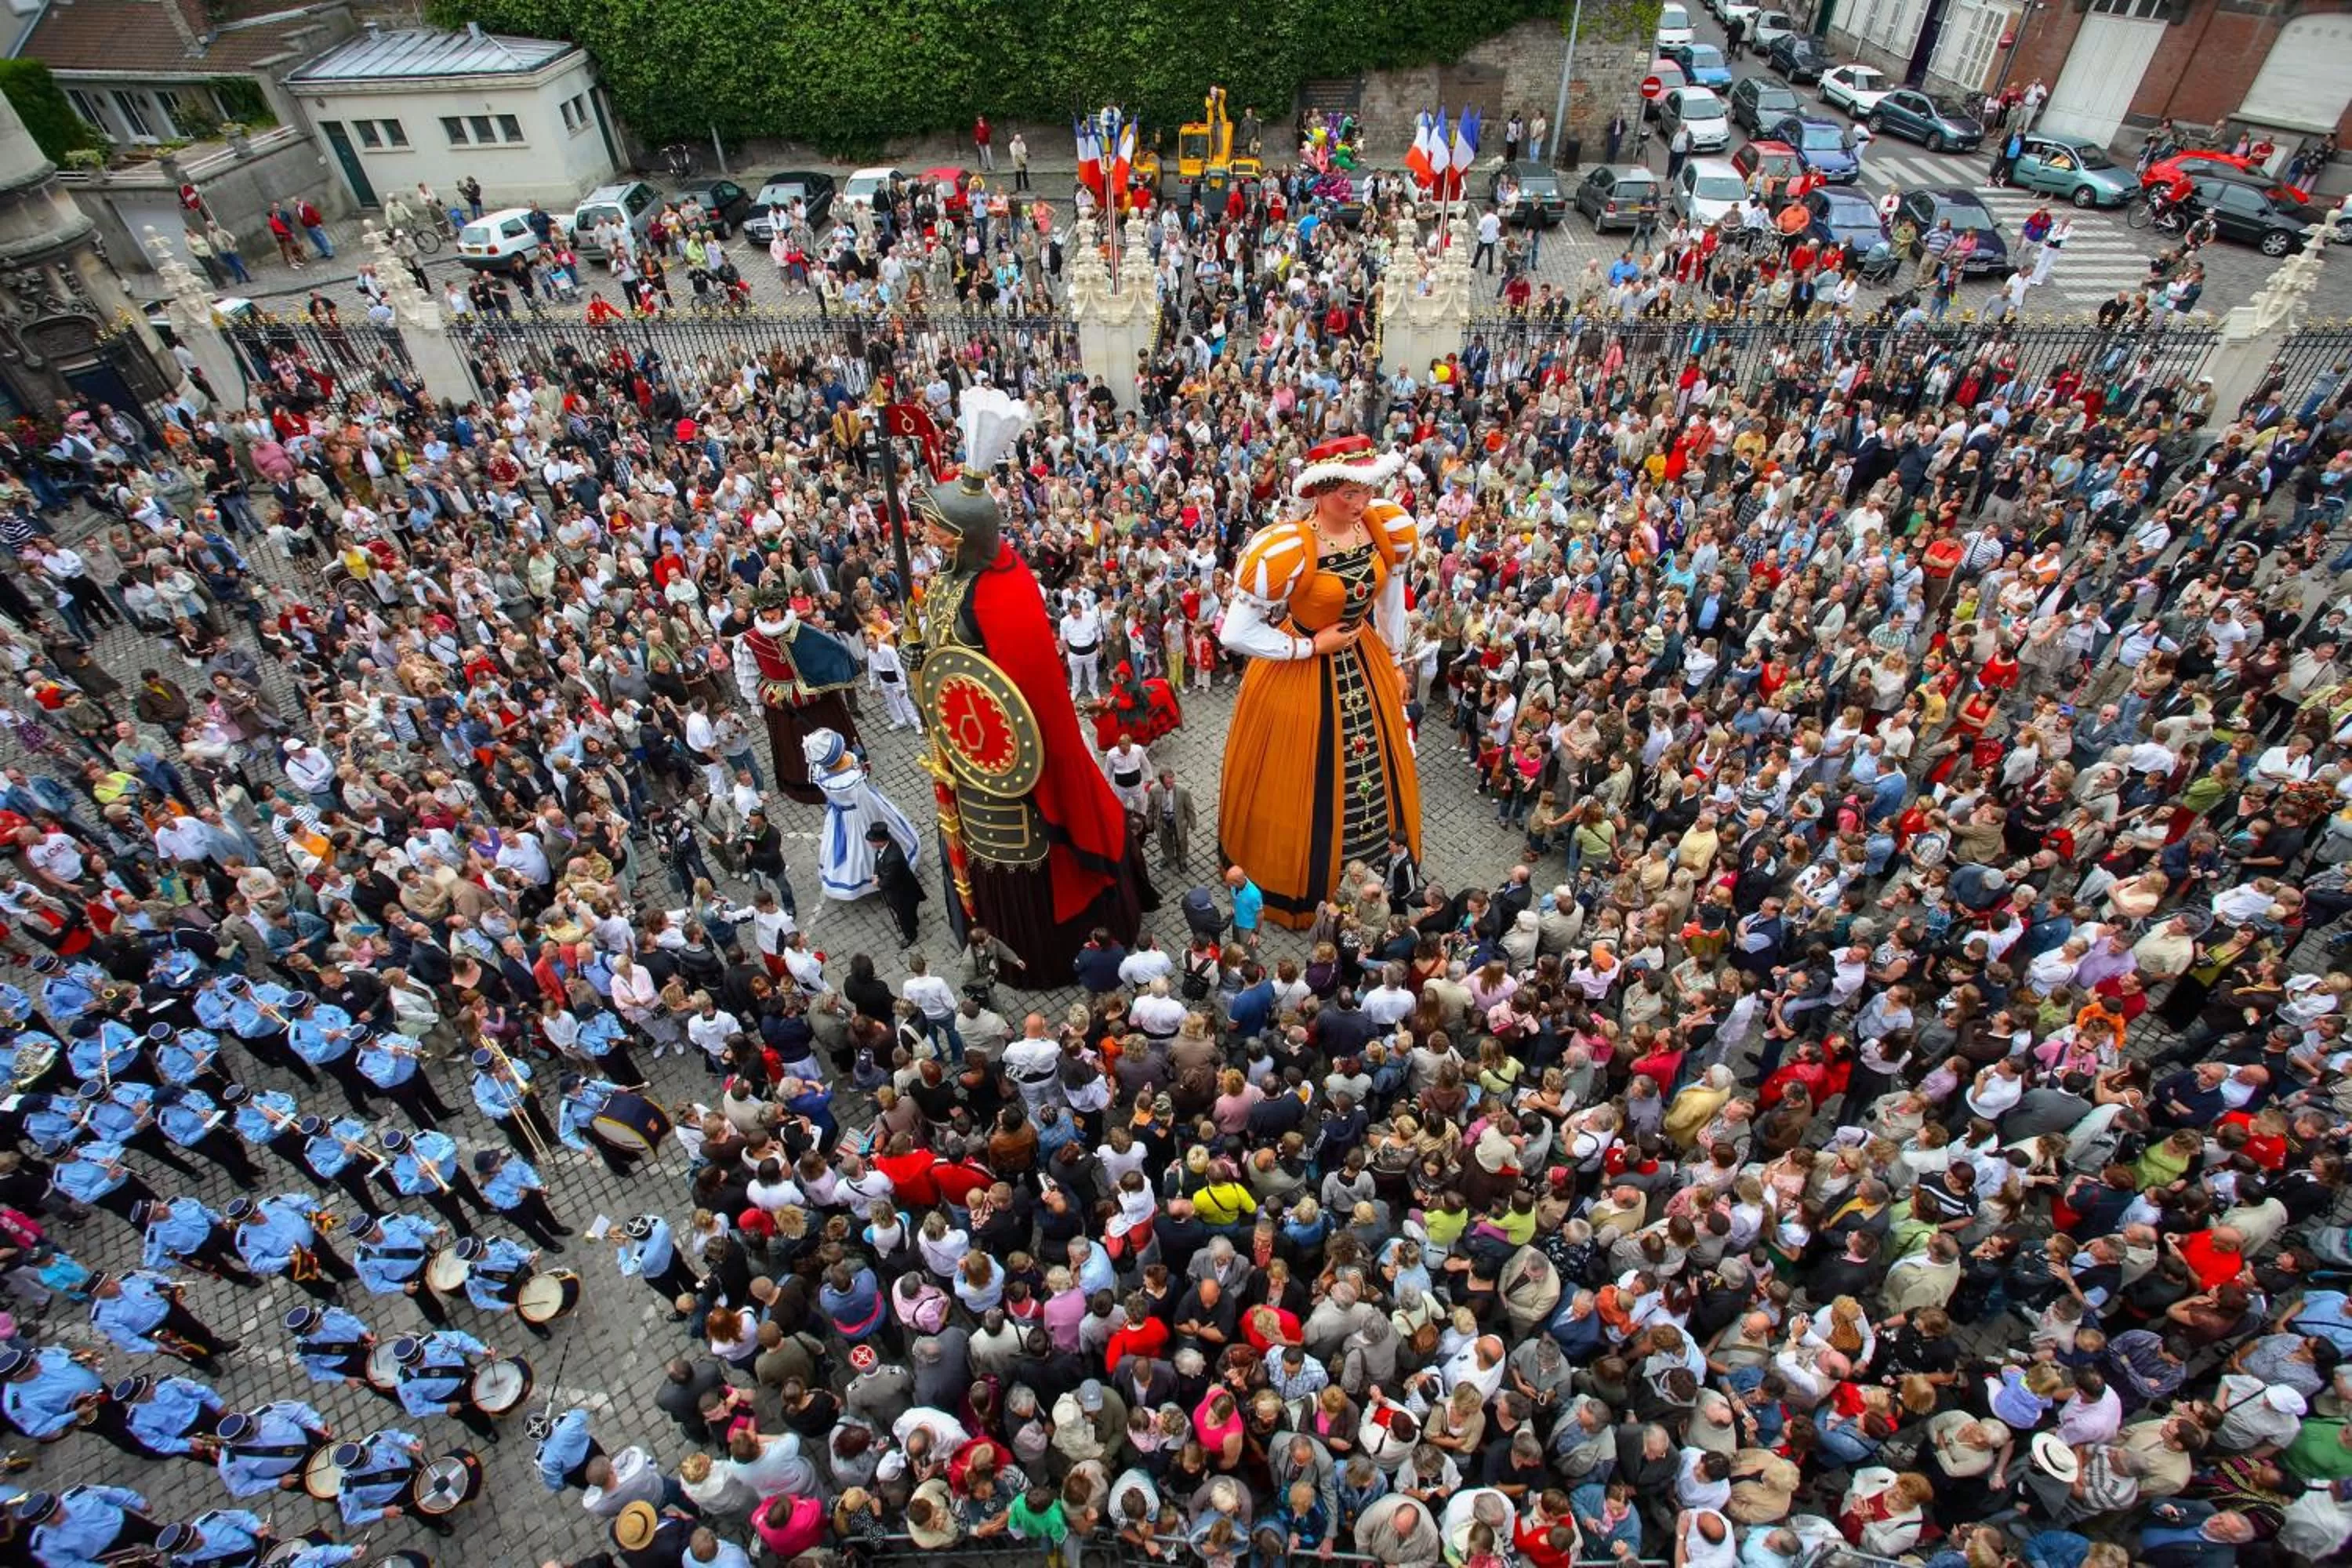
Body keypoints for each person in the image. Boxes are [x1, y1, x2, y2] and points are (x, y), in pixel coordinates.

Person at [907, 387, 1144, 980]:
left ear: (966, 538)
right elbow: (950, 667)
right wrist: (922, 655)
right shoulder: (951, 580)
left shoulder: (1005, 596)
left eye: (940, 534)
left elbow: (1021, 693)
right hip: (970, 752)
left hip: (1010, 762)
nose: (931, 541)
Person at [1219, 433, 1421, 928]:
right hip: (1302, 666)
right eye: (1346, 493)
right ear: (1317, 491)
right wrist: (1308, 646)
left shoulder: (1381, 527)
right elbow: (1235, 633)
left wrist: (1394, 658)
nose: (1358, 503)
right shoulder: (1290, 547)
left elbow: (1390, 596)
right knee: (1296, 774)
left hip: (1364, 656)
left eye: (1364, 491)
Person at [803, 727, 920, 902]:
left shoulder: (821, 771)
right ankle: (877, 878)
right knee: (865, 847)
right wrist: (878, 820)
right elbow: (868, 804)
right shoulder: (848, 780)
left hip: (840, 814)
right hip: (858, 814)